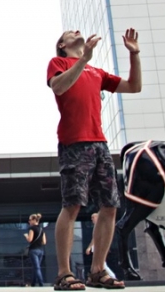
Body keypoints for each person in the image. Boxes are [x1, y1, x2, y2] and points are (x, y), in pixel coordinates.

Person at [47, 29, 141, 290]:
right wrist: (84, 59)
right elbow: (59, 86)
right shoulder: (59, 63)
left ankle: (97, 270)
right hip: (74, 143)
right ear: (62, 44)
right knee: (73, 205)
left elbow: (134, 86)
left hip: (101, 144)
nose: (77, 31)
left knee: (110, 206)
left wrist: (134, 53)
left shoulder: (97, 72)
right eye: (70, 32)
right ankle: (64, 273)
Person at [85, 213, 116, 280]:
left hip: (99, 246)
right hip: (96, 246)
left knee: (101, 263)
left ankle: (112, 276)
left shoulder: (101, 226)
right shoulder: (97, 226)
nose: (92, 219)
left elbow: (97, 238)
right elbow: (94, 238)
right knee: (98, 262)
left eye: (93, 217)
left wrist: (89, 247)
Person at [24, 214, 46, 287]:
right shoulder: (41, 229)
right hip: (40, 250)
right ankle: (33, 284)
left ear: (34, 220)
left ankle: (41, 284)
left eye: (30, 220)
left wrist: (26, 236)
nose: (29, 221)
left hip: (33, 250)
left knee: (36, 268)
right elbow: (44, 242)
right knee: (36, 267)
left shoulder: (32, 229)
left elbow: (30, 240)